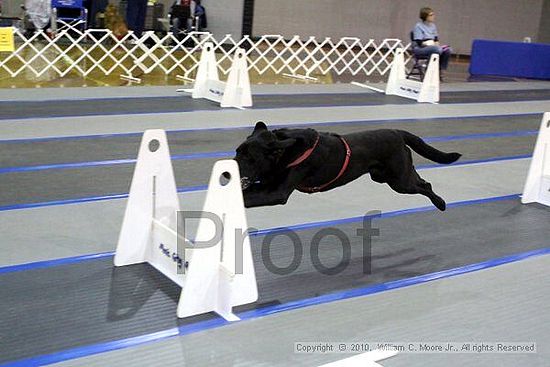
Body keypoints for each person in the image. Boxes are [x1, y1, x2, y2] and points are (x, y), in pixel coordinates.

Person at [412, 7, 452, 76]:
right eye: (431, 15)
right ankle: (429, 69)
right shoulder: (418, 26)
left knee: (448, 50)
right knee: (437, 49)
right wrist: (429, 43)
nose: (433, 16)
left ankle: (440, 69)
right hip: (420, 47)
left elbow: (436, 39)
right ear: (425, 16)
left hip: (432, 46)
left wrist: (436, 43)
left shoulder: (433, 26)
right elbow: (419, 42)